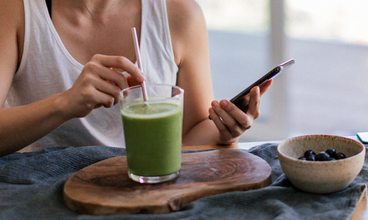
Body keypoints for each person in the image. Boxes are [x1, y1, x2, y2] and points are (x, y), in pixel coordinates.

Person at [0, 0, 272, 157]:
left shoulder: (179, 15)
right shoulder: (16, 9)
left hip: (148, 188)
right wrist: (65, 103)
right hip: (40, 190)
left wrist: (226, 132)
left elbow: (192, 138)